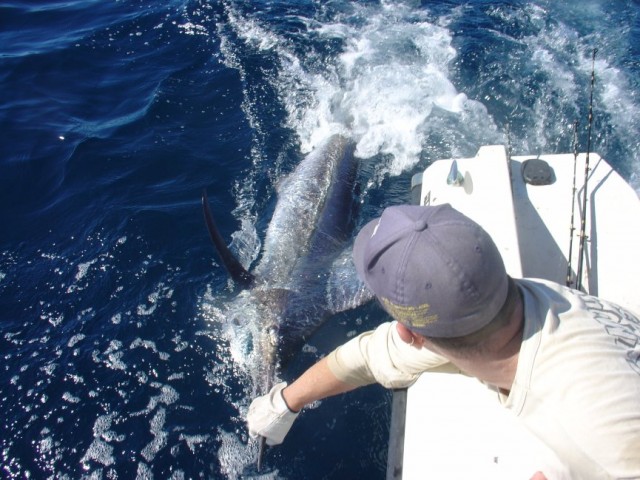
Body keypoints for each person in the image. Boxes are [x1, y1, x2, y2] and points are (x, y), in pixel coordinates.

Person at [247, 204, 640, 479]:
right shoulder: (517, 301)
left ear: (410, 331)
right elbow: (368, 356)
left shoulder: (607, 445)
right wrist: (283, 402)